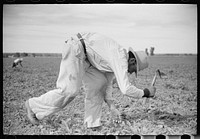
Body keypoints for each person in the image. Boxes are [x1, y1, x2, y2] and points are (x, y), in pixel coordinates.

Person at [25, 32, 156, 129]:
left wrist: (112, 107)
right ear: (132, 61)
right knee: (69, 91)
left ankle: (92, 124)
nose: (131, 72)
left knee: (100, 84)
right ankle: (32, 105)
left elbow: (108, 84)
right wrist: (145, 92)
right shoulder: (119, 57)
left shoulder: (114, 61)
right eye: (134, 69)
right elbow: (125, 89)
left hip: (88, 59)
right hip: (76, 49)